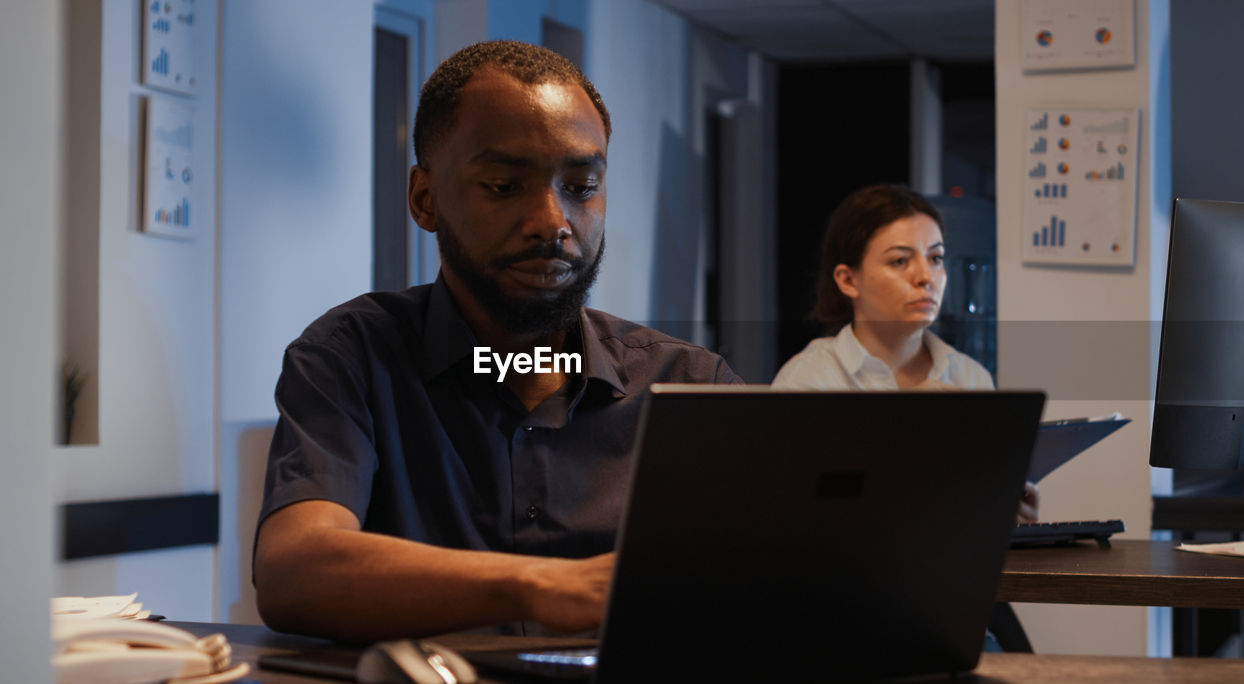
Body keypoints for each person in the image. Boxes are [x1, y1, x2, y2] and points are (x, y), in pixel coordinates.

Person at [253, 40, 739, 644]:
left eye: (582, 186)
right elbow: (294, 570)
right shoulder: (352, 356)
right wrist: (541, 585)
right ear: (425, 199)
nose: (553, 222)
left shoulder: (691, 385)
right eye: (504, 186)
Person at [772, 184, 1038, 523]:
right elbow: (795, 516)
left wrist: (1008, 518)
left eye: (936, 258)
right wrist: (906, 427)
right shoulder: (808, 382)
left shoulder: (970, 378)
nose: (926, 277)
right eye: (900, 261)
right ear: (848, 280)